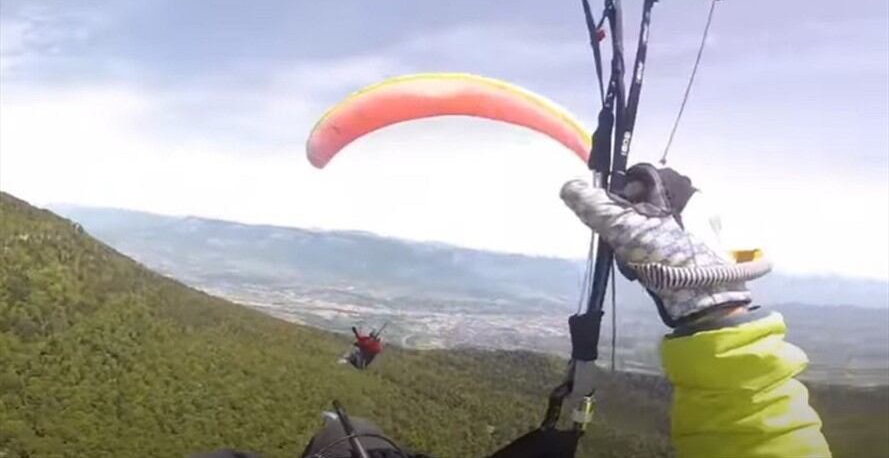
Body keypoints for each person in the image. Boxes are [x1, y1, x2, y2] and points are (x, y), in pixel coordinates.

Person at [195, 164, 833, 458]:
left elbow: (367, 341)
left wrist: (710, 311)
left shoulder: (368, 352)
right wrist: (714, 310)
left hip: (366, 358)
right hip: (724, 363)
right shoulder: (368, 352)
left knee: (352, 387)